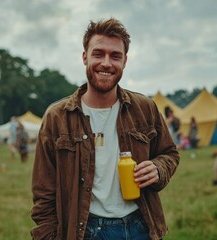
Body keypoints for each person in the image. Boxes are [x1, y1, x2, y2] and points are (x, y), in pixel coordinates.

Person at [31, 18, 180, 240]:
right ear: (85, 57)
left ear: (125, 61)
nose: (107, 63)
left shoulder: (145, 108)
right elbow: (44, 194)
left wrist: (158, 169)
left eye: (115, 56)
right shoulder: (57, 117)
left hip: (141, 226)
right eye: (98, 54)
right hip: (87, 230)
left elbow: (170, 153)